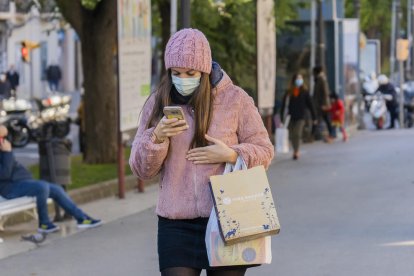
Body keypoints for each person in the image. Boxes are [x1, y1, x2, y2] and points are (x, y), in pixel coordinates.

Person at [129, 28, 274, 276]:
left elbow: (265, 150)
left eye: (190, 73)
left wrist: (231, 154)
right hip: (176, 223)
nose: (182, 78)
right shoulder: (158, 103)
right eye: (176, 73)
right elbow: (141, 170)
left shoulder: (235, 99)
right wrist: (157, 137)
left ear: (204, 71)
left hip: (226, 217)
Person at [0, 125, 102, 233]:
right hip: (9, 188)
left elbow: (4, 130)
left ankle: (82, 218)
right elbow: (5, 174)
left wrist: (5, 147)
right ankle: (44, 224)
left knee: (56, 189)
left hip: (22, 182)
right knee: (41, 187)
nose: (3, 141)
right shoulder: (5, 151)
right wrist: (7, 152)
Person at [281, 73, 316, 160]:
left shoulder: (305, 92)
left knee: (297, 133)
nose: (299, 80)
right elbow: (284, 105)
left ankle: (296, 151)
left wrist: (314, 117)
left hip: (301, 117)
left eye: (300, 78)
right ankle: (295, 149)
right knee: (292, 135)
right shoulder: (289, 92)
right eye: (297, 78)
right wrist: (282, 117)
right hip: (290, 117)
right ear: (294, 80)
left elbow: (311, 105)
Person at [312, 66, 334, 142]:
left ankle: (330, 134)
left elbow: (325, 92)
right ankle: (317, 135)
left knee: (325, 119)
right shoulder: (319, 79)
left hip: (322, 104)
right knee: (321, 119)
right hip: (319, 104)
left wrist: (325, 105)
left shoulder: (322, 79)